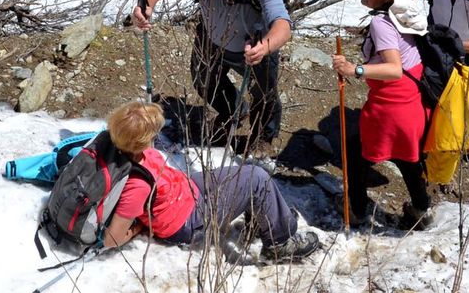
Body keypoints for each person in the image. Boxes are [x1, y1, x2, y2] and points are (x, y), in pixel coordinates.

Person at [100, 101, 320, 262]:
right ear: (140, 140)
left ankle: (264, 217)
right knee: (257, 179)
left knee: (246, 174)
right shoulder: (137, 185)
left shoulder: (124, 148)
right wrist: (138, 228)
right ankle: (279, 243)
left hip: (184, 190)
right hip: (187, 219)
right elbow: (112, 238)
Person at [132, 0, 291, 147]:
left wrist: (265, 47)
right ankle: (233, 110)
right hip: (211, 38)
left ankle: (263, 137)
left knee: (264, 93)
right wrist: (145, 6)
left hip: (254, 45)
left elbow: (282, 25)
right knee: (203, 80)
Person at [331, 0, 434, 230]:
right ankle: (421, 209)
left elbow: (393, 68)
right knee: (406, 156)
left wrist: (354, 69)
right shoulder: (407, 15)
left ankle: (356, 210)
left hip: (390, 105)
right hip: (412, 104)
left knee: (356, 152)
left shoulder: (381, 23)